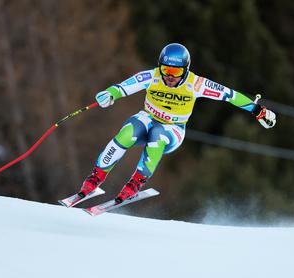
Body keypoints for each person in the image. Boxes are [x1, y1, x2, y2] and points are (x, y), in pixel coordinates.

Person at [79, 43, 276, 203]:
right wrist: (109, 95)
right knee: (127, 132)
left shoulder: (197, 84)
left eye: (175, 71)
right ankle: (96, 177)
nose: (170, 76)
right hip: (148, 118)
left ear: (186, 70)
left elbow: (230, 95)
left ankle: (134, 183)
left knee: (157, 138)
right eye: (165, 69)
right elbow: (123, 88)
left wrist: (257, 110)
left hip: (173, 129)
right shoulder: (152, 76)